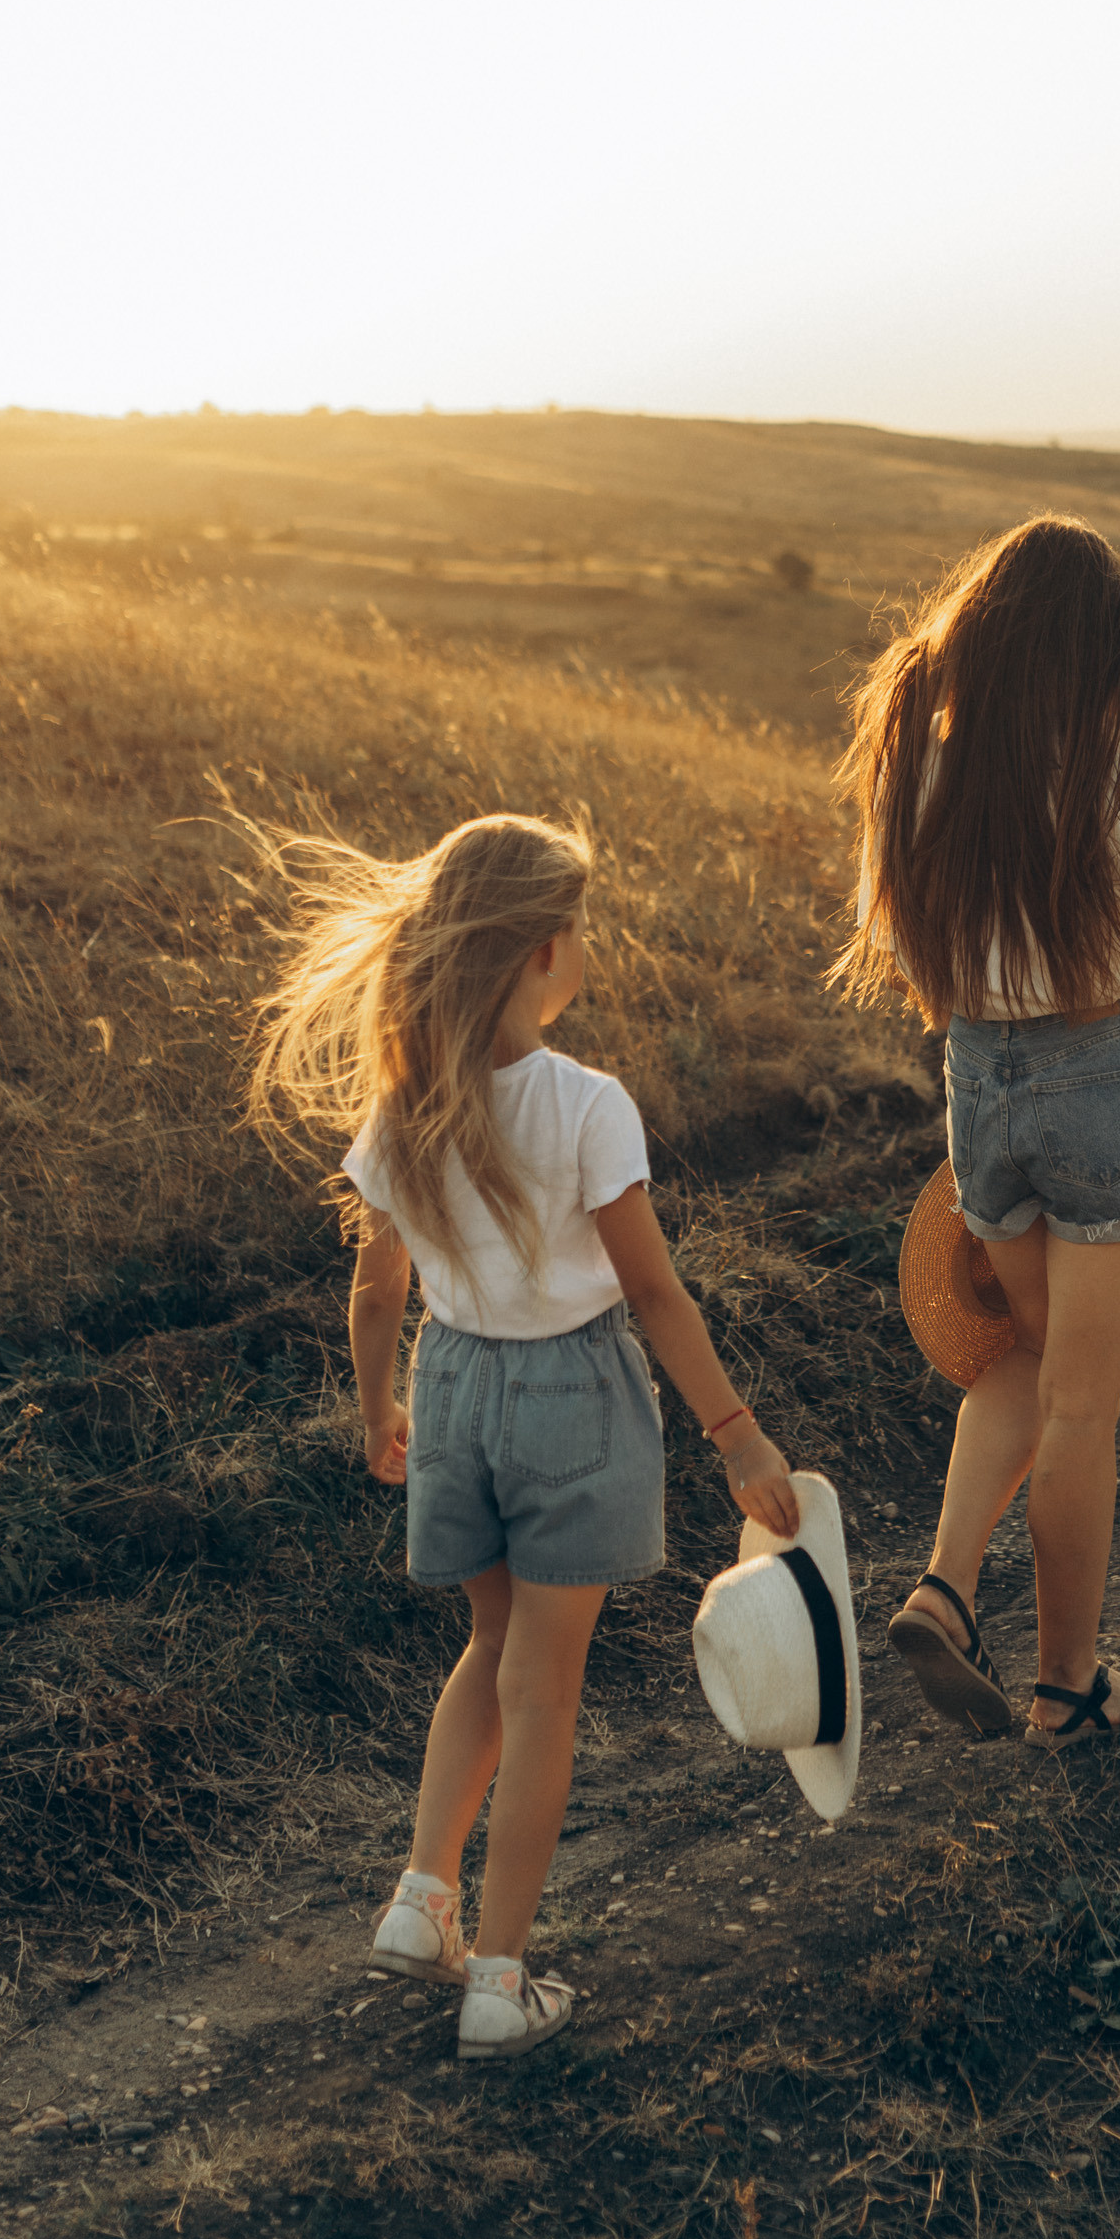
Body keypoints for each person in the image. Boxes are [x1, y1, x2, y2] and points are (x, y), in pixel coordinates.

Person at [248, 811, 800, 2058]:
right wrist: (738, 1435)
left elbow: (377, 1285)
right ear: (545, 951)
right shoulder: (586, 1105)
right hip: (571, 1400)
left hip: (451, 1390)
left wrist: (378, 1401)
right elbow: (654, 1292)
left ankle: (420, 1897)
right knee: (543, 1685)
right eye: (581, 928)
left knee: (493, 1647)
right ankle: (498, 1977)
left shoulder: (407, 1108)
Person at [833, 516, 1120, 1742]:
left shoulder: (919, 764)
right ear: (1099, 653)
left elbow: (906, 951)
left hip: (980, 1084)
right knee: (1078, 1402)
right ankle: (1069, 1684)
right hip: (1100, 1070)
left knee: (1021, 1356)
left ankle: (946, 1587)